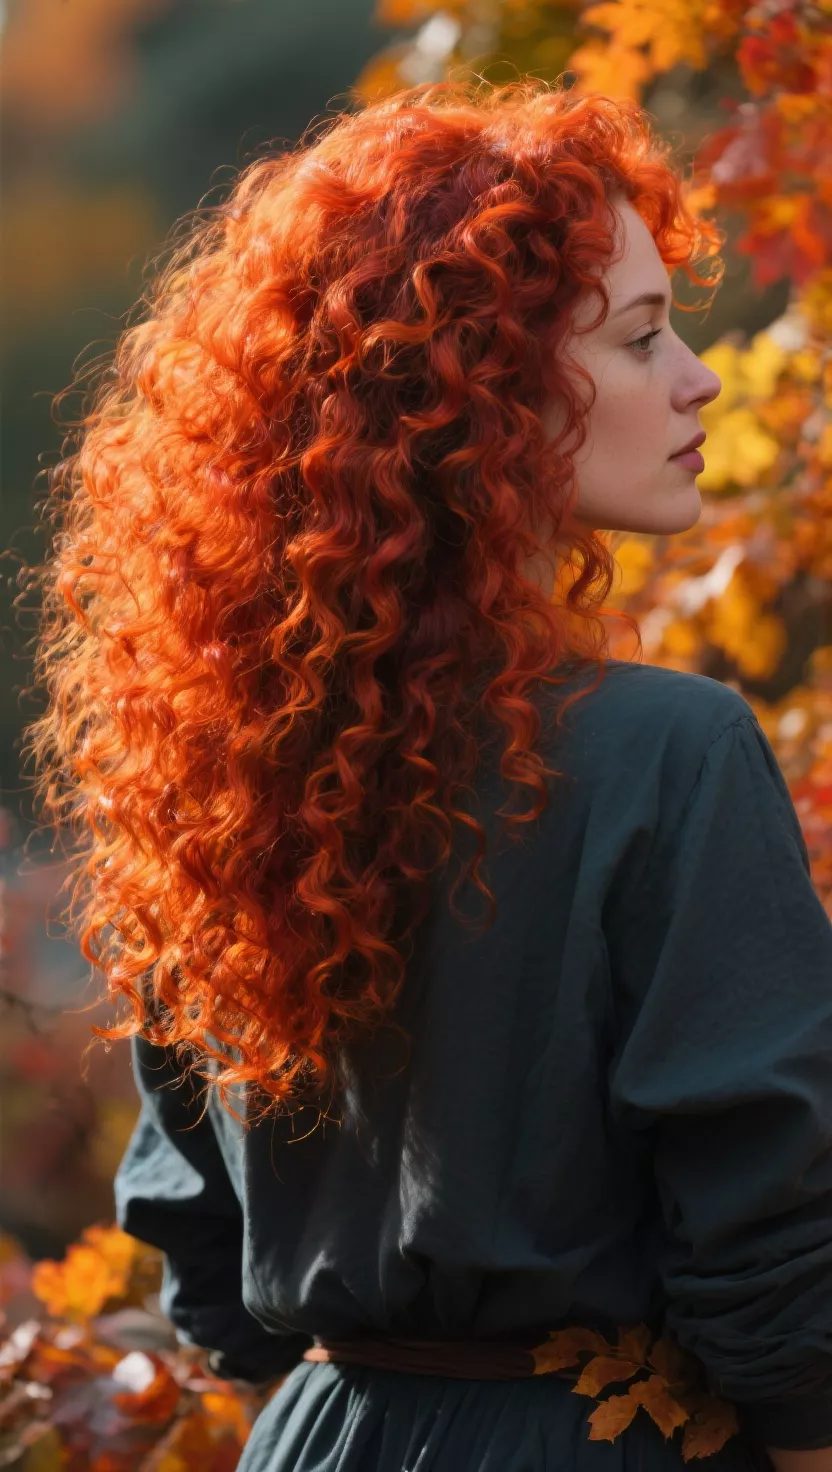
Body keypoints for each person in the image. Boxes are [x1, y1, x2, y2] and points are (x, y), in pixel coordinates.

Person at [22, 77, 832, 1470]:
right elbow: (775, 1228)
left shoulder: (220, 768)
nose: (696, 379)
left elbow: (200, 1260)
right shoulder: (668, 753)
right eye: (641, 339)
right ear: (483, 394)